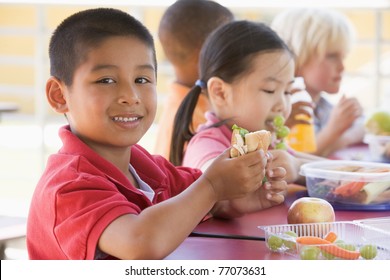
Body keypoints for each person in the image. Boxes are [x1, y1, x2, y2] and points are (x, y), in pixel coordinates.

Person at [26, 8, 287, 260]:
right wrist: (213, 187)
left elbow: (199, 199)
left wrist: (235, 198)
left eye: (142, 80)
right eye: (106, 80)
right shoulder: (68, 187)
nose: (130, 96)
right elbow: (140, 242)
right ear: (59, 95)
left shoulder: (146, 168)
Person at [170, 20, 318, 185]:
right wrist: (297, 168)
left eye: (287, 92)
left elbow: (324, 168)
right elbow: (216, 186)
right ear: (221, 93)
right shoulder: (206, 144)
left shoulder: (264, 141)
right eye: (270, 90)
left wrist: (297, 166)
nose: (282, 105)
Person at [271, 8, 365, 157]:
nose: (342, 67)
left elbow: (362, 128)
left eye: (344, 56)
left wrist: (342, 133)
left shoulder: (323, 106)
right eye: (332, 56)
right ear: (297, 57)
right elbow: (292, 160)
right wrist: (333, 130)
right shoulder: (288, 109)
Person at [154, 0, 234, 159]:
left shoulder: (183, 103)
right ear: (204, 52)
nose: (237, 53)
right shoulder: (197, 122)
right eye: (230, 46)